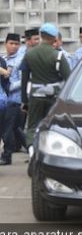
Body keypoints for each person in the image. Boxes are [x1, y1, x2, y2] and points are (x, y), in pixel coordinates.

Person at [20, 23, 71, 147]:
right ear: (55, 37)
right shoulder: (58, 56)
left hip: (35, 96)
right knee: (52, 126)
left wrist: (24, 101)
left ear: (41, 35)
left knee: (32, 126)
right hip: (54, 97)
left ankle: (32, 149)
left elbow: (24, 79)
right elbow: (69, 78)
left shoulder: (29, 54)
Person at [0, 34, 24, 166]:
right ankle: (32, 148)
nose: (13, 46)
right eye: (11, 43)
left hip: (14, 99)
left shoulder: (21, 60)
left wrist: (9, 86)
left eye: (16, 44)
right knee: (15, 129)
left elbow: (23, 80)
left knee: (7, 129)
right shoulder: (3, 59)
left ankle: (7, 155)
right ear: (5, 43)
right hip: (3, 100)